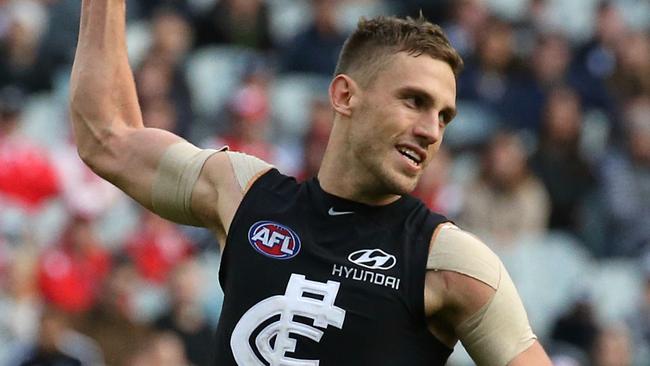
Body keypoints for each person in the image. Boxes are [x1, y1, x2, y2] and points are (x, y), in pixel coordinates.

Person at [69, 1, 551, 365]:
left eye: (444, 115)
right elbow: (106, 138)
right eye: (414, 101)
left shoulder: (449, 261)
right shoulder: (243, 195)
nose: (431, 130)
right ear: (344, 96)